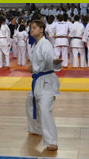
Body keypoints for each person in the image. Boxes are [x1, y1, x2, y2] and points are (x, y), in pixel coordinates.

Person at [26, 20, 63, 151]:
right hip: (37, 80)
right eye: (31, 28)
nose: (31, 30)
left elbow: (50, 58)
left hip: (47, 81)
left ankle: (52, 141)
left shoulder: (45, 44)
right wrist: (32, 67)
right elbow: (36, 61)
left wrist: (55, 62)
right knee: (30, 102)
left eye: (34, 27)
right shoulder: (35, 45)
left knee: (45, 110)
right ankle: (35, 129)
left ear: (41, 29)